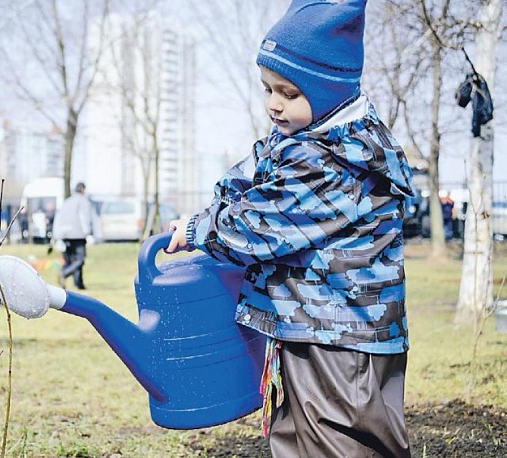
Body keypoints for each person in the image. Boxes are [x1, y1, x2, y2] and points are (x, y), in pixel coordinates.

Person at [166, 1, 414, 457]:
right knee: (295, 438)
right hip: (304, 326)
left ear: (328, 92)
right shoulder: (302, 142)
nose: (274, 105)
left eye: (289, 93)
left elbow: (259, 226)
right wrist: (222, 199)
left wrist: (203, 227)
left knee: (340, 441)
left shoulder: (332, 162)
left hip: (342, 340)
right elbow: (251, 173)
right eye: (267, 90)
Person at [52, 182, 101, 290]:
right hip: (77, 235)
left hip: (64, 235)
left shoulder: (67, 201)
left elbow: (58, 217)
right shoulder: (83, 201)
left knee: (70, 260)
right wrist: (87, 233)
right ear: (83, 190)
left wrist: (57, 235)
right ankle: (64, 273)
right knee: (80, 259)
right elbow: (84, 217)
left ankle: (79, 284)